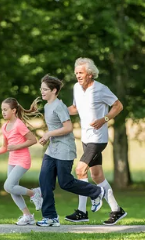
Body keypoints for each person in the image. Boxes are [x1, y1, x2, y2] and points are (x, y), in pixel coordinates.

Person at [36, 74, 105, 227]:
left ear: (54, 90)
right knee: (45, 181)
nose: (42, 92)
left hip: (65, 150)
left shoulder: (59, 106)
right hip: (52, 150)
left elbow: (68, 128)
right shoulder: (47, 106)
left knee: (65, 182)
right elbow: (56, 127)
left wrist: (48, 134)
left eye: (45, 89)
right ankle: (50, 217)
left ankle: (97, 192)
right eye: (41, 89)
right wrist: (47, 136)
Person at [65, 57, 127, 226]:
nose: (78, 76)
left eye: (81, 73)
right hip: (86, 137)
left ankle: (83, 210)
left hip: (98, 138)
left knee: (80, 169)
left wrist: (104, 118)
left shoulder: (101, 89)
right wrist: (57, 110)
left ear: (90, 74)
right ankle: (116, 210)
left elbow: (118, 106)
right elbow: (75, 109)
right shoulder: (76, 88)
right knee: (97, 175)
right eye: (76, 73)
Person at [0, 97, 43, 226]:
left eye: (5, 109)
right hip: (12, 160)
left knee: (8, 186)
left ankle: (34, 194)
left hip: (23, 160)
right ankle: (28, 216)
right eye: (2, 110)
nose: (3, 112)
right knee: (12, 189)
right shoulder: (5, 126)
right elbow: (5, 147)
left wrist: (16, 147)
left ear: (13, 110)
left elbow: (33, 140)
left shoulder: (19, 124)